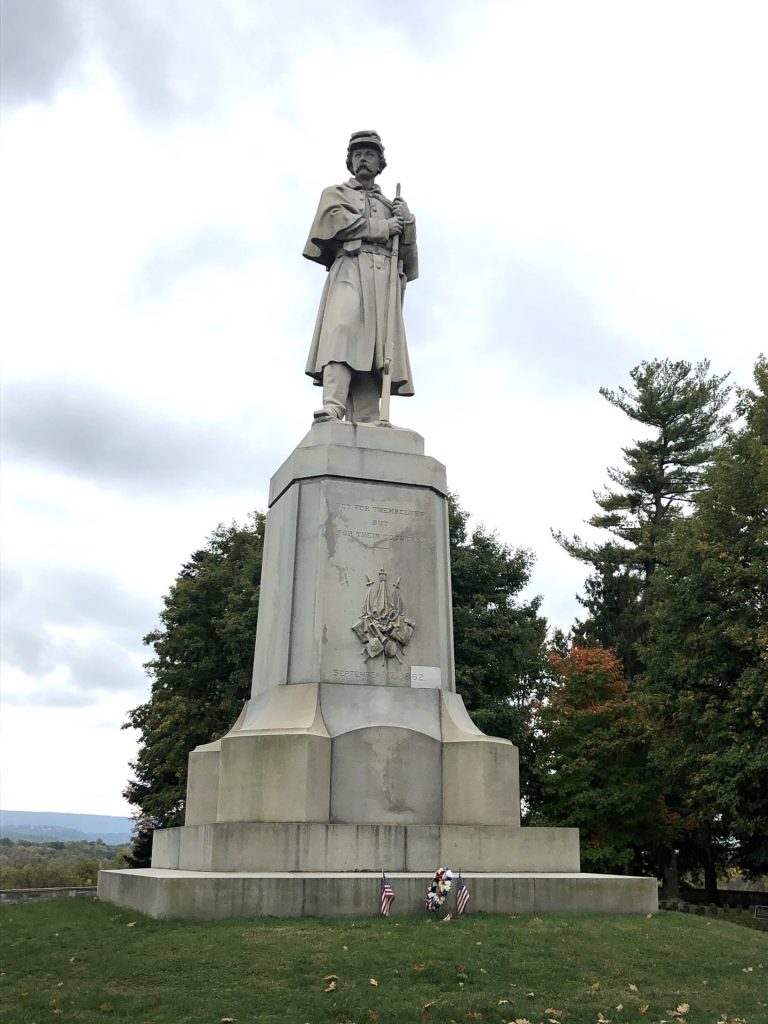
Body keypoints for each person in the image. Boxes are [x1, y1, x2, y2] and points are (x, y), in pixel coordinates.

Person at [303, 130, 418, 423]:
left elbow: (408, 259)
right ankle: (334, 405)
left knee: (377, 346)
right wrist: (385, 227)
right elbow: (336, 223)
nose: (363, 159)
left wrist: (408, 224)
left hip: (383, 278)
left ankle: (367, 417)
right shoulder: (336, 194)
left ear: (380, 163)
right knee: (341, 331)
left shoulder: (392, 206)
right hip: (350, 267)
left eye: (369, 154)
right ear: (350, 162)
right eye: (358, 154)